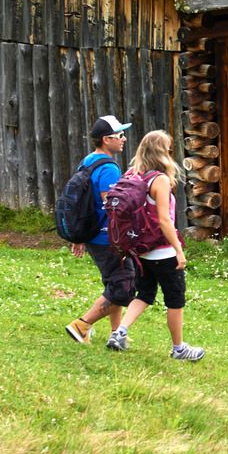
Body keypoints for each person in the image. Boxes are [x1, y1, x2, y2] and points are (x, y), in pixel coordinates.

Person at [106, 129, 204, 361]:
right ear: (162, 152)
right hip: (162, 250)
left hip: (141, 250)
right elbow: (164, 220)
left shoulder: (132, 174)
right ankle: (179, 349)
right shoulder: (159, 179)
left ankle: (120, 332)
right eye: (168, 149)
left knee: (145, 293)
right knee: (175, 299)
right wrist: (178, 250)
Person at [64, 115, 133, 344]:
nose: (124, 139)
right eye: (120, 135)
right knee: (124, 286)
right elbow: (113, 208)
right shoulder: (109, 169)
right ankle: (81, 325)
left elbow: (82, 200)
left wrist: (79, 236)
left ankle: (116, 333)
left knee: (114, 283)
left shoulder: (88, 161)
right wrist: (124, 237)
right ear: (106, 139)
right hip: (107, 238)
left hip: (93, 235)